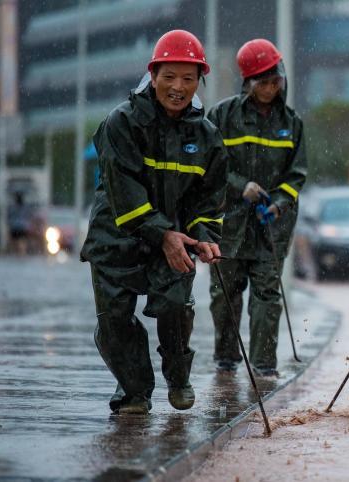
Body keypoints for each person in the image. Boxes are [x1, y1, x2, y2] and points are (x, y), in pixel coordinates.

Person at [80, 30, 227, 414]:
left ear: (199, 81)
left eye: (188, 78)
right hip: (117, 235)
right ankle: (134, 392)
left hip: (175, 238)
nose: (178, 87)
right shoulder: (121, 123)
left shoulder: (207, 136)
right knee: (114, 321)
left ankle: (178, 376)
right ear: (153, 74)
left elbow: (208, 196)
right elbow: (123, 190)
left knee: (176, 305)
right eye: (169, 77)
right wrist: (162, 233)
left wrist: (204, 235)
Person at [207, 38, 306, 377]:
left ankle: (264, 366)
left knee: (266, 295)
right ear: (247, 82)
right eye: (262, 81)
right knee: (225, 294)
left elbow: (297, 174)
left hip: (271, 227)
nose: (270, 87)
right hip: (228, 224)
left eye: (275, 80)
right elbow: (209, 167)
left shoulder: (292, 123)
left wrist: (278, 204)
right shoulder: (222, 116)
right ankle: (226, 360)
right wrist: (239, 186)